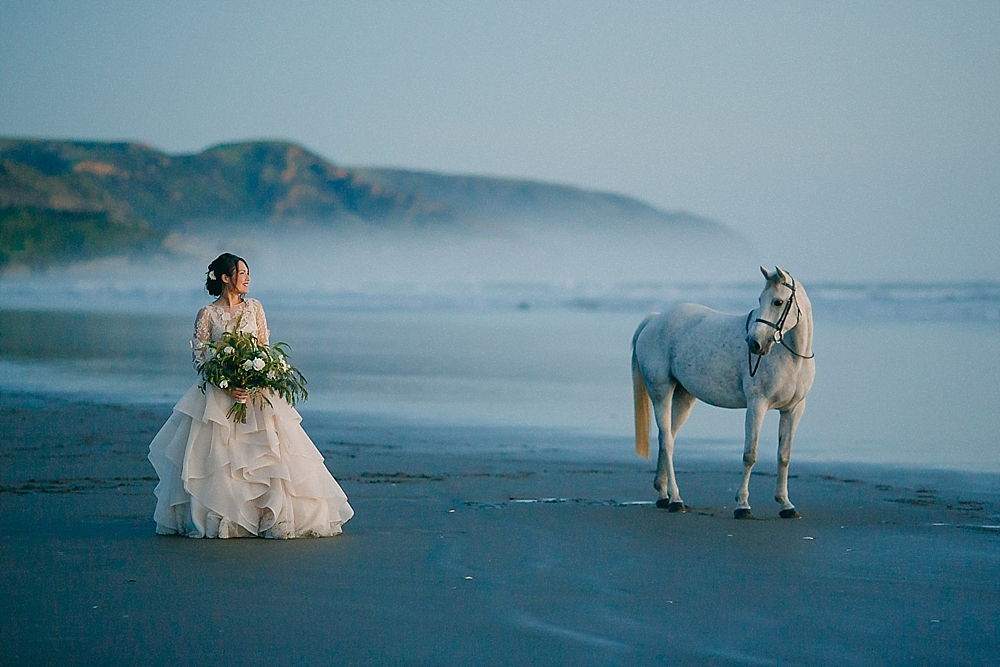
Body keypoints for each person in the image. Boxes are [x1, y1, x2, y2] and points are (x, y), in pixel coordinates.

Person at [147, 253, 354, 538]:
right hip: (219, 395)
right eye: (242, 272)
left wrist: (257, 378)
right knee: (220, 457)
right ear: (225, 277)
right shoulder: (207, 314)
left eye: (247, 273)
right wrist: (225, 382)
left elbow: (265, 350)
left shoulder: (255, 308)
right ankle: (225, 516)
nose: (247, 278)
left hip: (256, 393)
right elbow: (199, 358)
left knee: (267, 456)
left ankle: (268, 515)